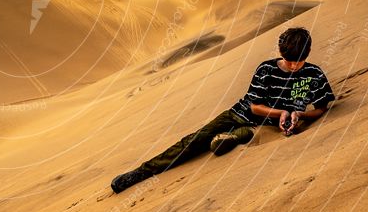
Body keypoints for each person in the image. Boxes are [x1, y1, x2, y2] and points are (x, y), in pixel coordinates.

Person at [111, 27, 336, 194]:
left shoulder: (313, 74)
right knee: (192, 141)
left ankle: (227, 140)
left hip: (264, 127)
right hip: (240, 114)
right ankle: (142, 171)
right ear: (280, 52)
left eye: (300, 61)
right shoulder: (266, 69)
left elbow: (322, 107)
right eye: (289, 61)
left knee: (247, 135)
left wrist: (299, 115)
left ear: (308, 53)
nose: (294, 66)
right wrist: (282, 113)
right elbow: (255, 106)